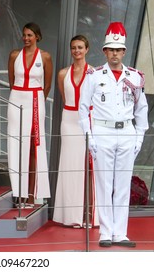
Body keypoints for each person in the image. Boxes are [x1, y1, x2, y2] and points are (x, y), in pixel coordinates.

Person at [79, 22, 148, 247]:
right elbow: (82, 107)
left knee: (122, 184)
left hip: (126, 132)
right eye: (111, 49)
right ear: (105, 51)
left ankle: (121, 233)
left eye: (118, 50)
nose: (115, 53)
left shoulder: (135, 77)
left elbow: (142, 110)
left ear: (124, 52)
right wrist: (89, 136)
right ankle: (106, 232)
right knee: (104, 183)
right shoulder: (94, 75)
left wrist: (139, 137)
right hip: (102, 131)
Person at [53, 35, 99, 228]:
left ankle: (89, 214)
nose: (77, 51)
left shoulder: (95, 73)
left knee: (90, 167)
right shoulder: (63, 74)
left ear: (87, 49)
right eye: (73, 48)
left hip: (89, 120)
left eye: (80, 47)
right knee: (70, 167)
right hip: (69, 120)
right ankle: (71, 216)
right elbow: (65, 98)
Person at [7, 22, 52, 208]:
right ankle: (18, 193)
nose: (26, 38)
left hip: (35, 99)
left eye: (30, 35)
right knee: (16, 143)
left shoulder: (45, 56)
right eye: (24, 35)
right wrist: (20, 95)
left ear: (37, 37)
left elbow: (47, 85)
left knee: (34, 146)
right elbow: (11, 80)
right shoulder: (14, 55)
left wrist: (37, 100)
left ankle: (32, 194)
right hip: (16, 97)